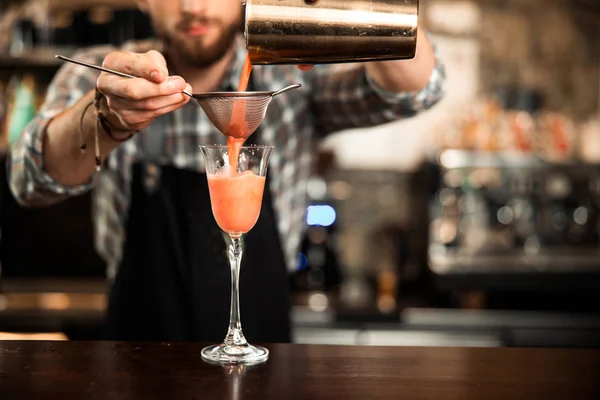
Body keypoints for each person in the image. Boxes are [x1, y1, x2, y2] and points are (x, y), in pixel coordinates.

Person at [7, 0, 445, 342]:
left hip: (266, 350)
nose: (194, 8)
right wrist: (103, 114)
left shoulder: (297, 79)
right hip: (138, 350)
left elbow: (418, 91)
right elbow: (28, 181)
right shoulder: (105, 72)